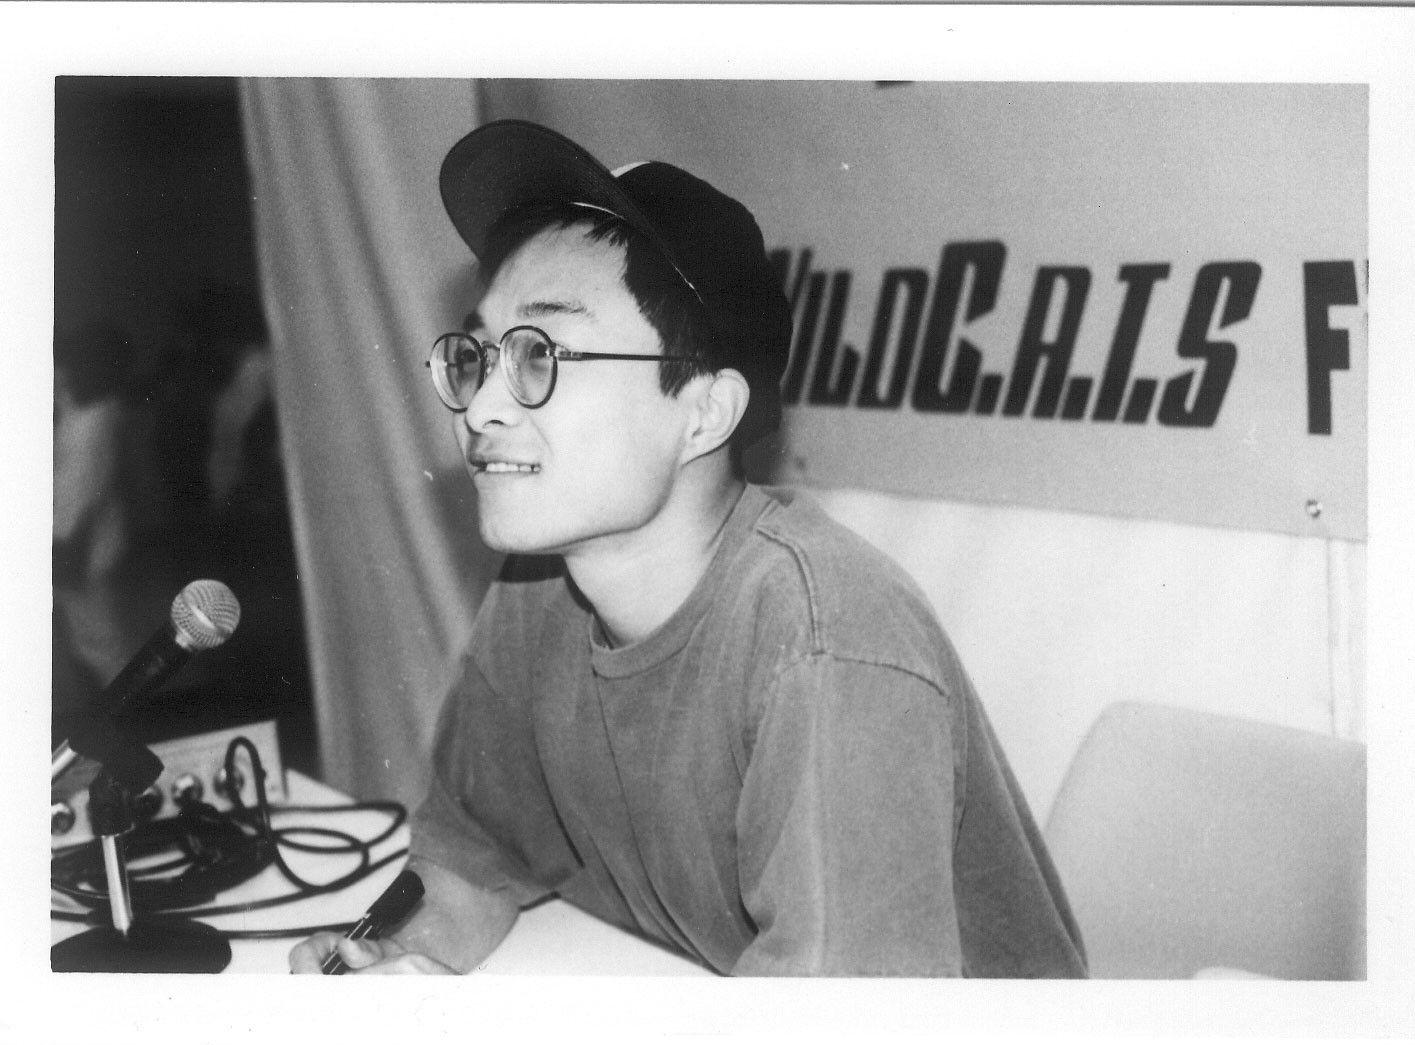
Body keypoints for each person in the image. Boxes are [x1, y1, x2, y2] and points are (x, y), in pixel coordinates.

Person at [290, 120, 1087, 977]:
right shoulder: (537, 589)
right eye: (480, 355)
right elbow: (471, 857)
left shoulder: (822, 640)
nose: (481, 405)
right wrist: (386, 959)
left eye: (539, 354)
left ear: (703, 413)